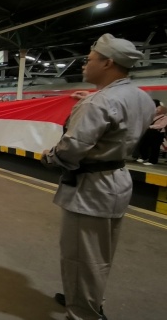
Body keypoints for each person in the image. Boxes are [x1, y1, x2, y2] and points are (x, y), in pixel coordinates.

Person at [40, 34, 154, 320]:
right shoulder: (142, 98)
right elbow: (119, 122)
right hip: (117, 179)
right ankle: (87, 297)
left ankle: (83, 313)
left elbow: (72, 148)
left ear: (108, 62)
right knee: (101, 252)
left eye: (89, 60)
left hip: (91, 187)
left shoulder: (97, 103)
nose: (83, 65)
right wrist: (90, 102)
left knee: (81, 254)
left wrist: (49, 156)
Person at [136, 101, 167, 166]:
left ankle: (153, 161)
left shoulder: (165, 117)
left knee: (155, 147)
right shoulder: (153, 116)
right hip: (149, 132)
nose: (156, 109)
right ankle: (144, 157)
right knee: (143, 144)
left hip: (157, 133)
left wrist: (151, 126)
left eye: (158, 108)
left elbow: (161, 125)